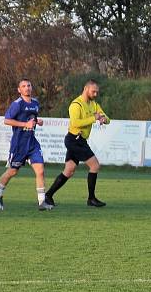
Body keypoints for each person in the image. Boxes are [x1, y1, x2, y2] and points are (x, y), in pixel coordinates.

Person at [44, 79, 109, 207]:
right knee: (95, 166)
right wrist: (94, 118)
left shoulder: (94, 104)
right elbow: (75, 123)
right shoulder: (76, 105)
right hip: (74, 140)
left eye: (97, 92)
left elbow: (108, 119)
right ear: (86, 89)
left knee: (69, 170)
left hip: (80, 140)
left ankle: (48, 196)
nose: (95, 94)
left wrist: (103, 119)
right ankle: (91, 199)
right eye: (93, 91)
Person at [0, 79, 52, 211]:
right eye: (23, 86)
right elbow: (7, 120)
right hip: (19, 145)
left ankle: (42, 202)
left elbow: (31, 118)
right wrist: (25, 124)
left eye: (29, 85)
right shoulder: (17, 104)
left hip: (32, 143)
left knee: (40, 171)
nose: (27, 88)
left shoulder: (35, 103)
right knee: (12, 171)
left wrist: (37, 121)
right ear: (19, 90)